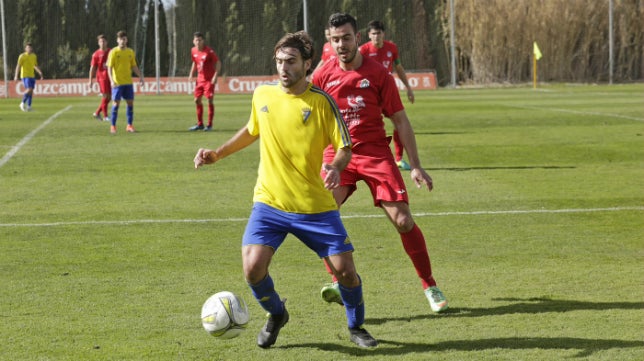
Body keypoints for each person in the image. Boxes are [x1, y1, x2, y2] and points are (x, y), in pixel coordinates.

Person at [193, 31, 378, 349]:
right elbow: (252, 130)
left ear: (307, 64)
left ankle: (356, 326)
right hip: (270, 202)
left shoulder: (321, 103)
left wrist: (335, 167)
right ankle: (277, 314)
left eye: (291, 62)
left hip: (314, 206)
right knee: (252, 268)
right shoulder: (262, 95)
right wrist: (217, 154)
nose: (283, 68)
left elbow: (344, 147)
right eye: (279, 61)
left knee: (346, 273)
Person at [312, 13, 448, 313]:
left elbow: (400, 119)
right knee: (320, 212)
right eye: (335, 39)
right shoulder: (322, 77)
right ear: (329, 41)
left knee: (403, 220)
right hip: (337, 156)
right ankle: (338, 279)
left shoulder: (378, 74)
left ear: (356, 37)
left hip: (375, 153)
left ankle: (430, 285)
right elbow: (309, 120)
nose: (341, 44)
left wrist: (415, 165)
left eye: (346, 38)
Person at [359, 20, 415, 171]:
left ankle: (399, 159)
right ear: (369, 35)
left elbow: (399, 67)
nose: (376, 36)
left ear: (383, 34)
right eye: (373, 33)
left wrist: (408, 87)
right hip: (369, 94)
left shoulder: (392, 48)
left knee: (400, 123)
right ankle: (366, 158)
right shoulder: (363, 51)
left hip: (387, 92)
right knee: (365, 126)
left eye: (379, 33)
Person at [106, 31, 144, 134]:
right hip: (117, 83)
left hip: (128, 83)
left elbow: (134, 66)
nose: (122, 41)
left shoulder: (130, 52)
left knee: (130, 103)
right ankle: (113, 126)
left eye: (124, 39)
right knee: (116, 104)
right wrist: (111, 81)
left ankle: (129, 125)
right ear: (117, 40)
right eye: (120, 39)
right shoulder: (113, 52)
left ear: (126, 40)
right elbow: (109, 67)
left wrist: (140, 76)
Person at [188, 32, 221, 131]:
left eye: (200, 40)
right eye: (196, 40)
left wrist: (215, 76)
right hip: (199, 80)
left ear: (203, 41)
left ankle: (209, 125)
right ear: (193, 41)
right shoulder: (193, 50)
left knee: (210, 99)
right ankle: (200, 124)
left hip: (208, 80)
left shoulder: (209, 51)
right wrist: (191, 74)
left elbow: (218, 63)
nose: (198, 42)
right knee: (196, 100)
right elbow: (194, 62)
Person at [14, 42, 44, 112]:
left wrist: (40, 72)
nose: (29, 49)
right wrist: (16, 76)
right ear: (25, 49)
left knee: (31, 91)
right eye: (28, 48)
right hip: (25, 75)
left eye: (30, 47)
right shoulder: (22, 56)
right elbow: (18, 66)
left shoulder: (34, 56)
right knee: (29, 89)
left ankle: (29, 106)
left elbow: (35, 65)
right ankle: (22, 103)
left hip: (32, 75)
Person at [88, 34, 112, 122]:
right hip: (102, 77)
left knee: (109, 97)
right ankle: (105, 116)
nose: (102, 43)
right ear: (98, 43)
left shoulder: (111, 51)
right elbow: (92, 68)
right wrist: (90, 80)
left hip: (110, 76)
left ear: (107, 42)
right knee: (106, 96)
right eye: (100, 41)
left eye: (104, 41)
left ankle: (97, 112)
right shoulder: (96, 54)